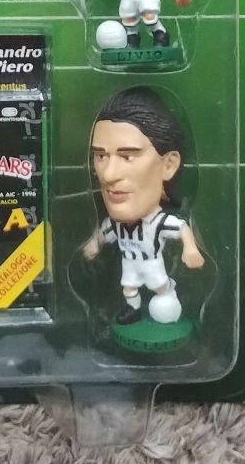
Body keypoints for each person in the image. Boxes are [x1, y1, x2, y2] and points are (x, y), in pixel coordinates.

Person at [83, 87, 204, 325]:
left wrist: (191, 249)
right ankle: (133, 309)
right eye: (100, 156)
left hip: (152, 264)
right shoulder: (114, 225)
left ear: (168, 165)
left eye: (127, 156)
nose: (108, 175)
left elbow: (181, 229)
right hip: (130, 263)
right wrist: (92, 244)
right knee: (129, 287)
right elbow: (103, 234)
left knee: (159, 286)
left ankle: (167, 296)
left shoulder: (159, 222)